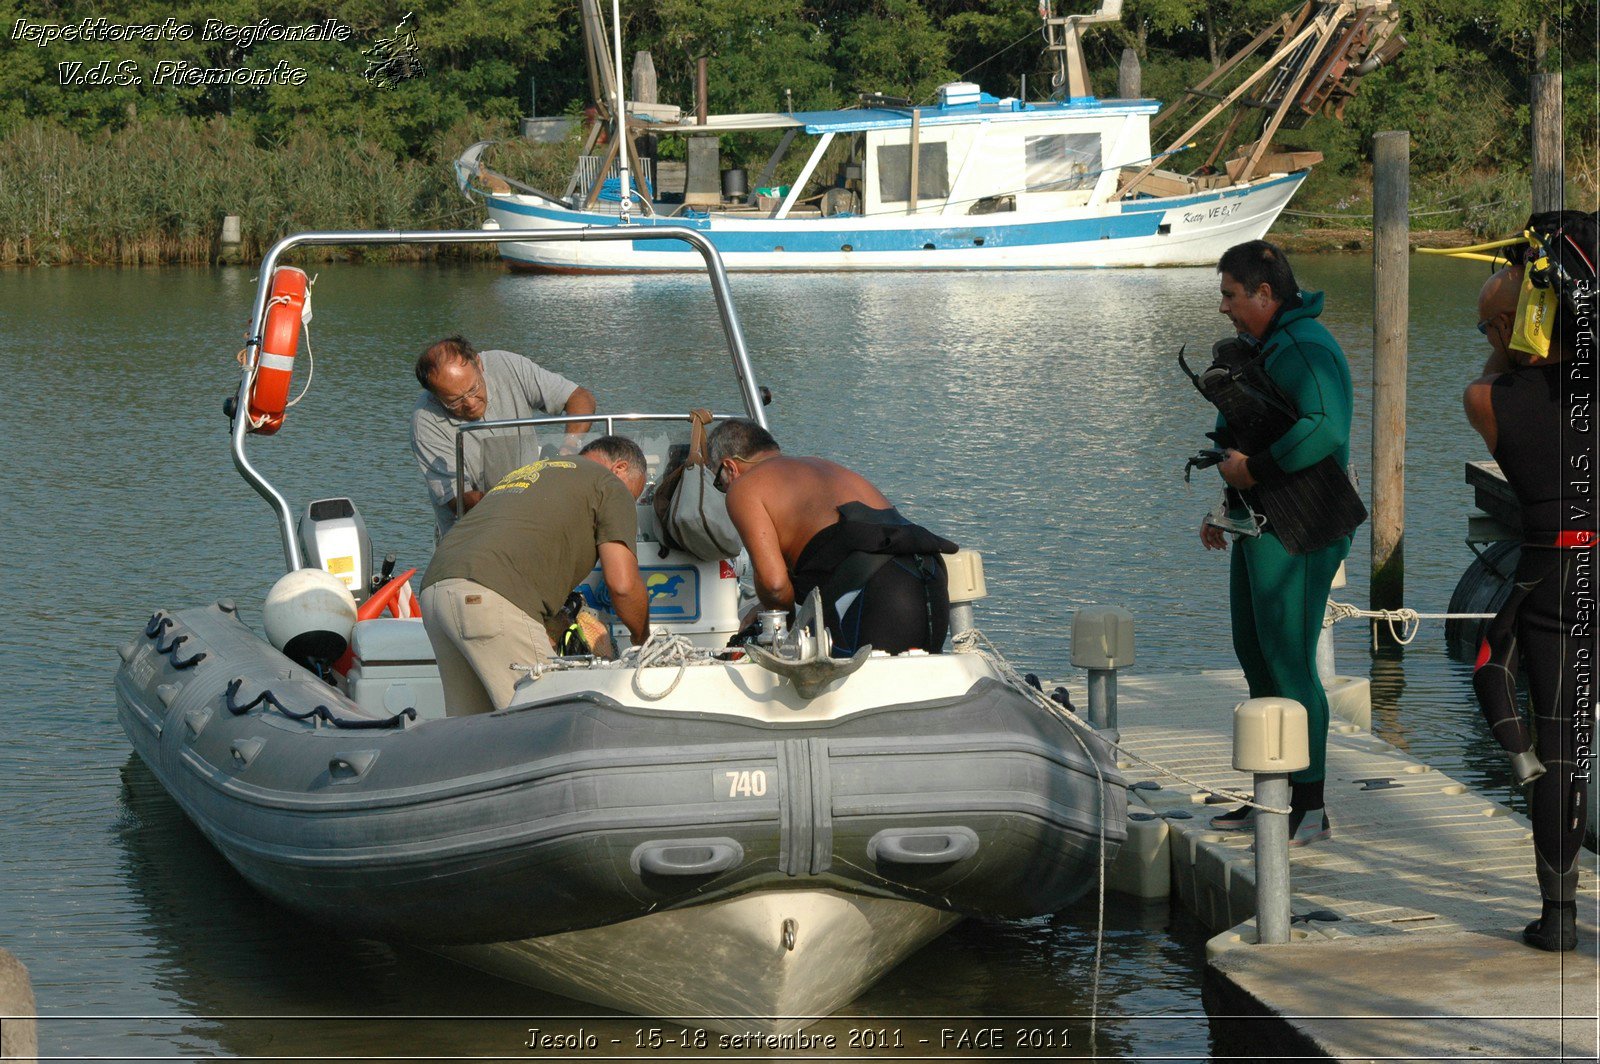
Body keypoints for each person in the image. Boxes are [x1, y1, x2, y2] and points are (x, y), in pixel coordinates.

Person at [1463, 216, 1596, 952]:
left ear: (1519, 324)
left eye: (1487, 326)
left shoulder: (1488, 400)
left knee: (1561, 749)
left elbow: (1498, 376)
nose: (1483, 342)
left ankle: (1561, 917)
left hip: (1558, 578)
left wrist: (1518, 339)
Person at [1199, 240, 1355, 847]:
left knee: (1290, 660)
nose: (1225, 308)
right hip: (1258, 522)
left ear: (1266, 294)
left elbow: (1325, 428)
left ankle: (1310, 805)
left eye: (1231, 296)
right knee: (1255, 651)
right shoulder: (1268, 346)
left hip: (1303, 526)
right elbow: (1242, 429)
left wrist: (1253, 473)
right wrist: (1225, 504)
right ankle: (1274, 789)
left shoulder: (1307, 347)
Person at [419, 436, 650, 715]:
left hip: (435, 591)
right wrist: (642, 642)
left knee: (473, 732)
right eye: (633, 496)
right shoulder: (608, 483)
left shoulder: (536, 472)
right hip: (490, 597)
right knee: (546, 724)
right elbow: (623, 585)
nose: (629, 504)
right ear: (620, 468)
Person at [708, 419, 956, 655]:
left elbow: (774, 586)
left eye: (719, 483)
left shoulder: (744, 486)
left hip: (876, 592)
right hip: (928, 578)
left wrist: (785, 631)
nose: (725, 490)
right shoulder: (817, 467)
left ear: (730, 467)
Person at [411, 336, 597, 536]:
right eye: (455, 402)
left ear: (479, 364)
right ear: (435, 396)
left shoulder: (507, 365)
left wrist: (568, 451)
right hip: (473, 536)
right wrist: (518, 496)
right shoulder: (425, 422)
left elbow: (579, 398)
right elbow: (458, 500)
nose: (471, 403)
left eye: (474, 388)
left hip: (536, 517)